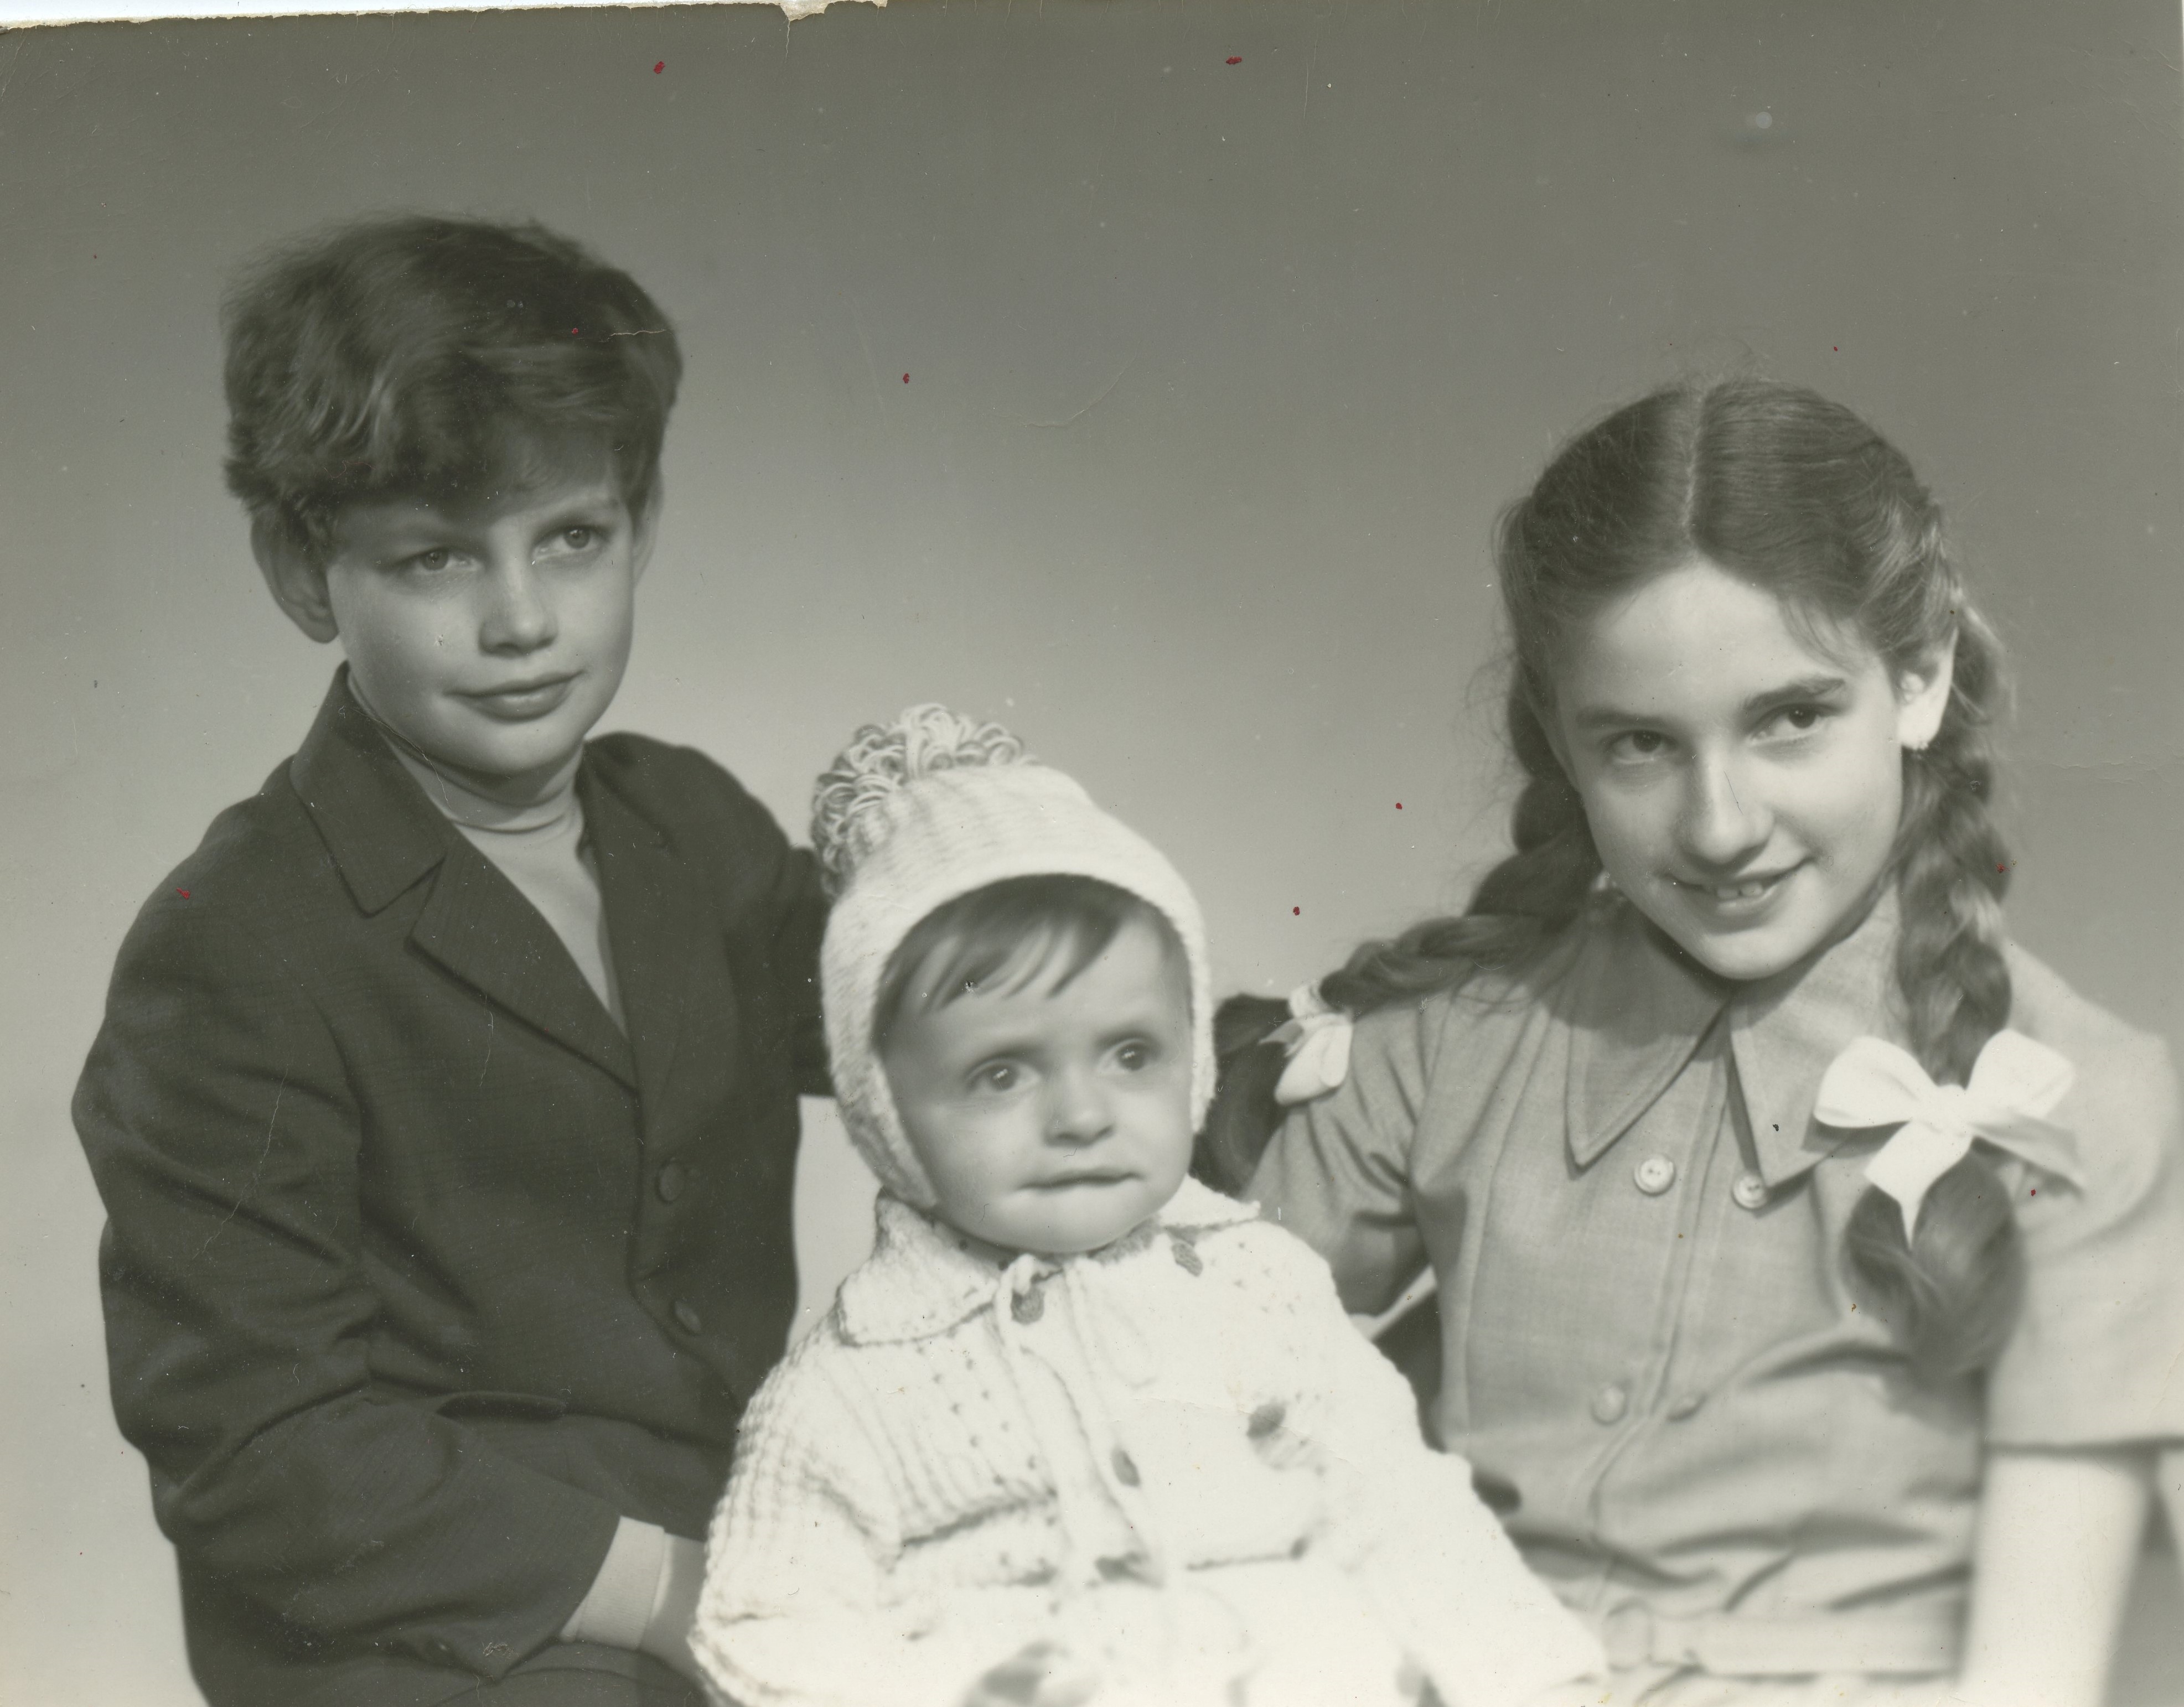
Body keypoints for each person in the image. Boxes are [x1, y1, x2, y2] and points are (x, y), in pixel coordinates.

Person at [1213, 378, 2184, 1706]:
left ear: (1918, 679)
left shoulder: (2082, 1103)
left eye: (1790, 717)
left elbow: (2031, 1682)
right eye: (1639, 745)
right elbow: (1164, 1403)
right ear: (1560, 740)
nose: (1719, 826)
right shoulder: (1434, 1049)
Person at [73, 215, 829, 1707]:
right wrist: (671, 1594)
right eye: (435, 557)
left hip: (741, 1543)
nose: (522, 620)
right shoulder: (232, 943)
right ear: (305, 570)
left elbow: (936, 1032)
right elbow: (259, 1445)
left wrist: (1289, 1058)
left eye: (571, 537)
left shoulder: (695, 826)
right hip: (438, 1628)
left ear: (639, 522)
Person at [690, 706, 1605, 1707]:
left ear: (1192, 1056)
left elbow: (1400, 1508)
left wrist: (1535, 1682)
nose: (1082, 1115)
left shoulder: (1258, 1287)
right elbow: (766, 1627)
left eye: (1130, 1054)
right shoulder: (852, 1387)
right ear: (884, 1106)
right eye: (1002, 1073)